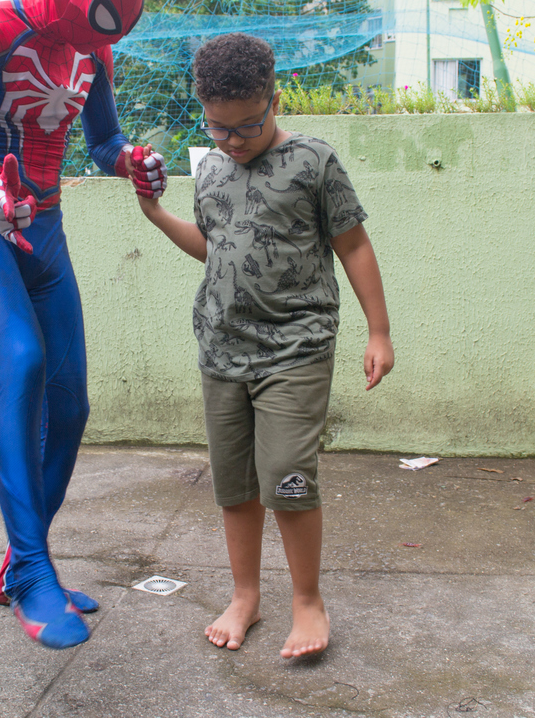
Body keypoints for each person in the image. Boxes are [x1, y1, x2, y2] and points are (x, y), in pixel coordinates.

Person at [0, 0, 165, 650]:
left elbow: (99, 142)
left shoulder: (95, 47)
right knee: (23, 363)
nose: (89, 44)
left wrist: (131, 160)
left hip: (46, 226)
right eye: (92, 25)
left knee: (70, 406)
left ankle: (16, 567)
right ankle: (34, 570)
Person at [135, 33, 394, 659]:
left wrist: (378, 330)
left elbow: (353, 245)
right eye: (219, 128)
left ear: (274, 101)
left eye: (248, 127)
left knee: (287, 477)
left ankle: (307, 601)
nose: (233, 141)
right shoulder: (211, 169)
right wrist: (154, 213)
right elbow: (212, 246)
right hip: (222, 349)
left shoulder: (313, 161)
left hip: (296, 347)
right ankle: (245, 595)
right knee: (234, 483)